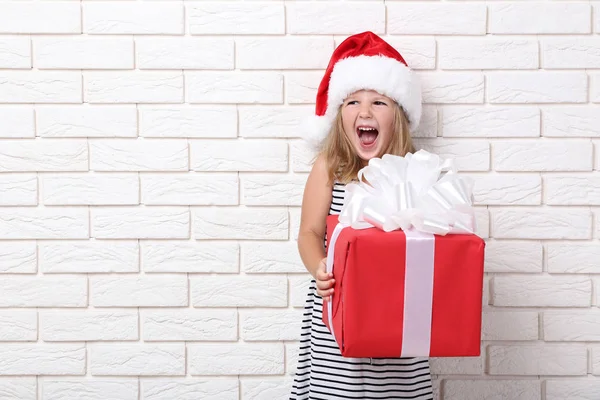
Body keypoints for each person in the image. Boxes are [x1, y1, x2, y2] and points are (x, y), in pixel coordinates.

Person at [290, 32, 433, 400]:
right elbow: (308, 232)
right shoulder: (330, 168)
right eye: (353, 101)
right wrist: (320, 267)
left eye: (379, 102)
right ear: (340, 116)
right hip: (339, 310)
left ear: (398, 116)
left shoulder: (415, 172)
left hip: (396, 310)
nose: (365, 112)